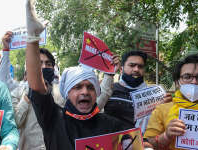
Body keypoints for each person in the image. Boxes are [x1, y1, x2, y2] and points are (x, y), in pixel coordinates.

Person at [25, 0, 133, 149]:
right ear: (67, 92)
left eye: (90, 87)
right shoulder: (54, 118)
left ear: (96, 92)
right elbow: (37, 87)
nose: (85, 92)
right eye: (77, 87)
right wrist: (32, 38)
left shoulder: (112, 126)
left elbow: (133, 143)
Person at [0, 31, 116, 149]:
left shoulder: (63, 92)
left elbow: (93, 105)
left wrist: (109, 75)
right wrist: (29, 96)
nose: (44, 67)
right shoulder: (18, 91)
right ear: (29, 67)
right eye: (39, 63)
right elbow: (15, 123)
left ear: (53, 68)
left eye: (48, 64)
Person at [144, 54, 198, 149]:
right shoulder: (162, 110)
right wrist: (166, 136)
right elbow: (146, 144)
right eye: (187, 77)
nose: (194, 81)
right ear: (177, 83)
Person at [104, 50, 172, 133]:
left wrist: (166, 108)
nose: (136, 69)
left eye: (140, 66)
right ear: (121, 69)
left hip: (144, 143)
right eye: (132, 65)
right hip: (110, 142)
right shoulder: (108, 90)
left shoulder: (156, 95)